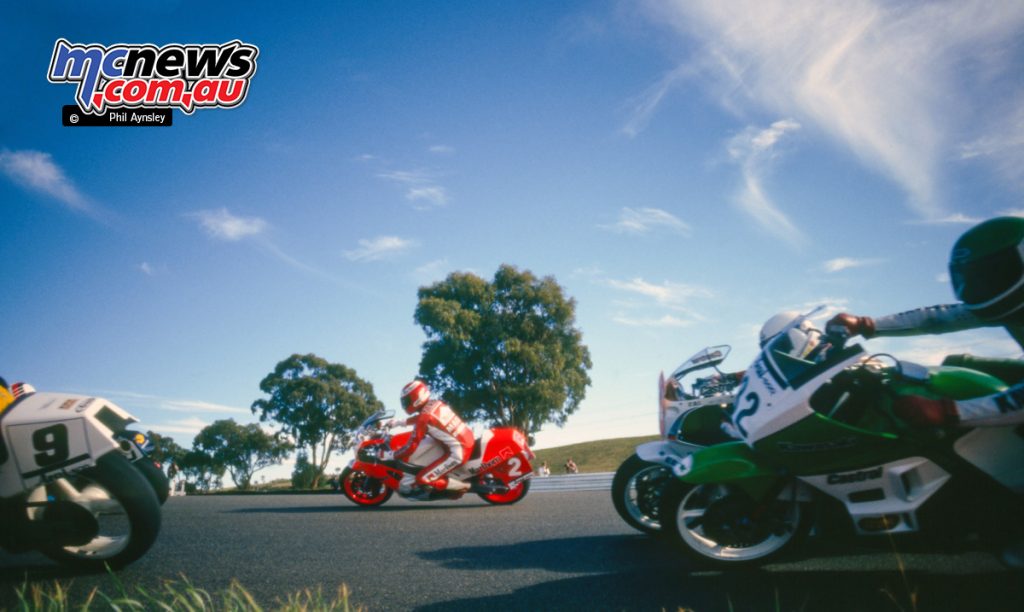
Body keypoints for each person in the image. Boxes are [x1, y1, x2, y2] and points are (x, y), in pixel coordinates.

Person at [827, 216, 1024, 428]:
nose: (981, 285)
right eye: (976, 277)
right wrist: (864, 324)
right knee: (956, 366)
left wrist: (951, 412)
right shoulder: (1003, 303)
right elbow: (939, 319)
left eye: (993, 273)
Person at [389, 380, 474, 500]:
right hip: (466, 440)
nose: (405, 404)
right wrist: (399, 422)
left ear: (416, 398)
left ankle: (465, 486)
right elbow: (421, 418)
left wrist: (391, 455)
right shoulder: (435, 404)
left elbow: (411, 447)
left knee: (422, 479)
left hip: (458, 452)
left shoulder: (424, 418)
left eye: (407, 401)